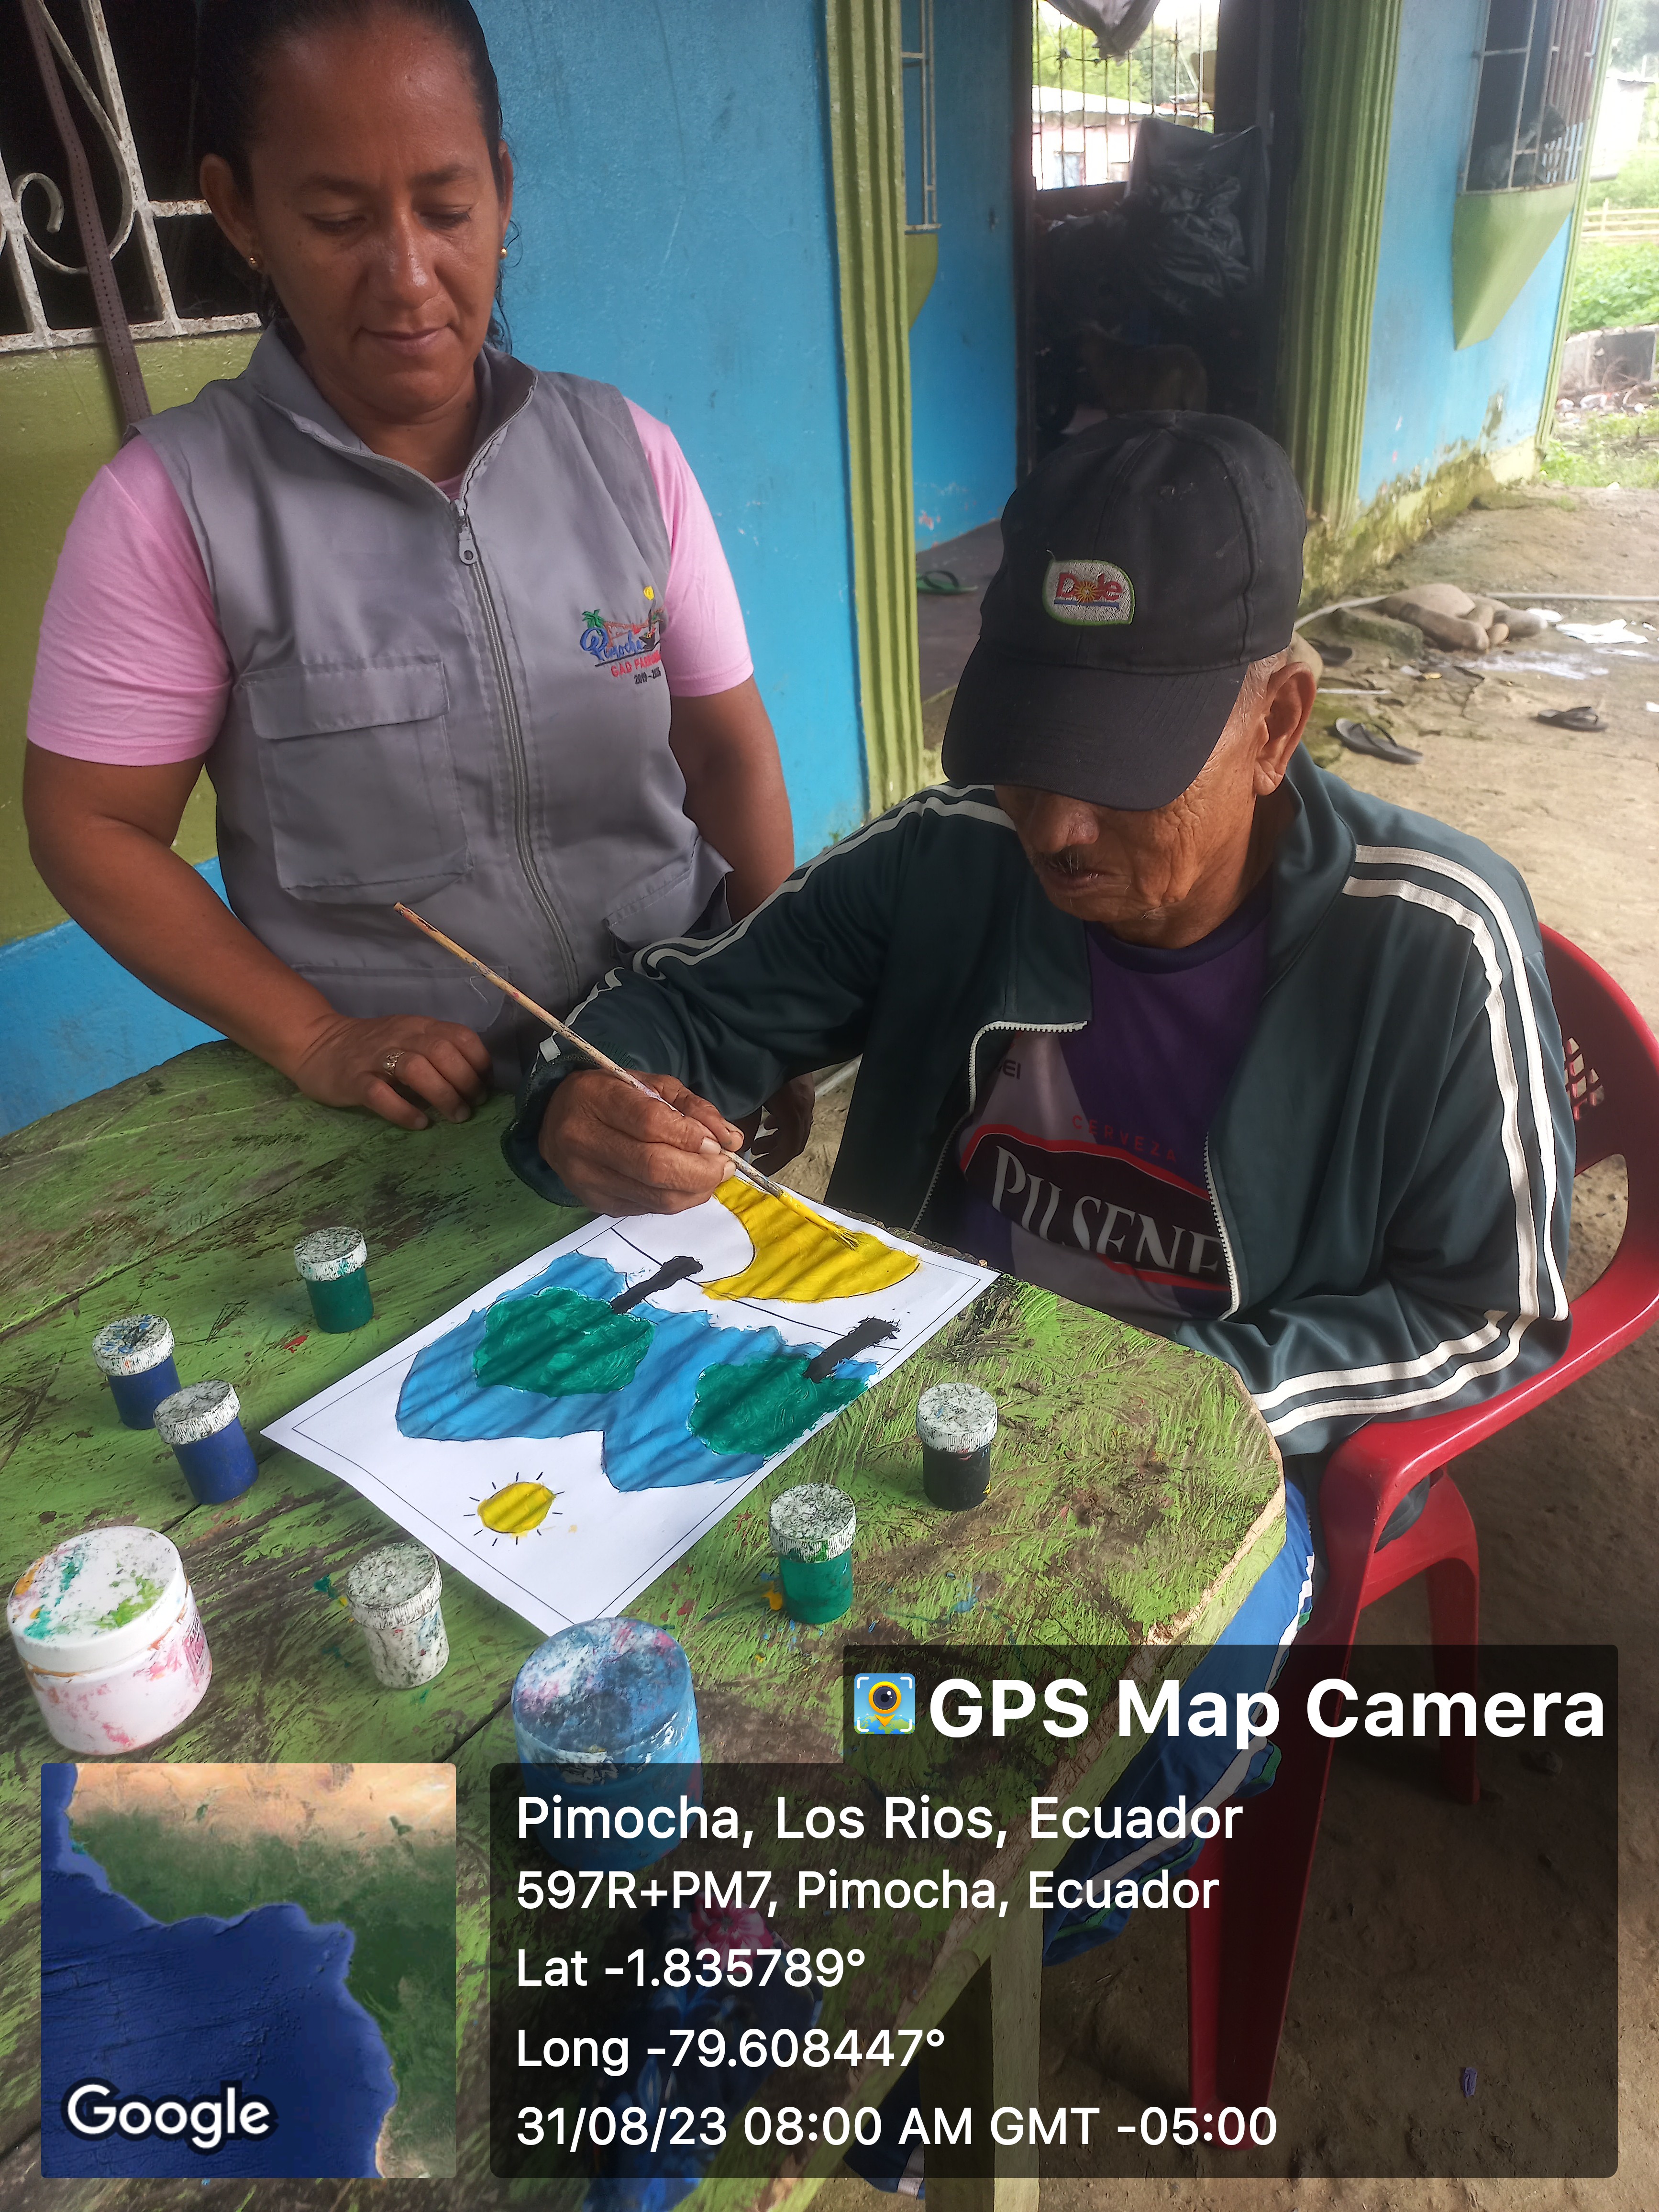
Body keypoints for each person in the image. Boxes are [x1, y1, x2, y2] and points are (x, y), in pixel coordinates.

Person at [508, 412, 1575, 1961]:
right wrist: (579, 1101)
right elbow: (682, 1003)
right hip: (909, 1385)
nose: (1056, 828)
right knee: (643, 1651)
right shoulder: (951, 858)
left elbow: (1493, 1314)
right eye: (1027, 755)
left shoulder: (1432, 940)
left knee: (1135, 1752)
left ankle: (870, 1996)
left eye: (1117, 771)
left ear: (1277, 720)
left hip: (1213, 1443)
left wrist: (1177, 1393)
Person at [23, 0, 810, 1165]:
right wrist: (314, 1036)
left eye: (446, 209)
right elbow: (90, 823)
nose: (406, 278)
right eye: (338, 219)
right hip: (421, 1128)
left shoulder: (627, 456)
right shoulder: (172, 509)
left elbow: (727, 750)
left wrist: (770, 1009)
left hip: (671, 1064)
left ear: (501, 188)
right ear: (239, 210)